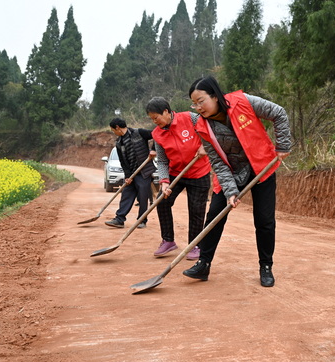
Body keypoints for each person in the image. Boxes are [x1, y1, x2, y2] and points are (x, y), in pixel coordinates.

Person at [183, 76, 291, 287]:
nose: (198, 107)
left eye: (201, 101)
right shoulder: (203, 127)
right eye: (194, 104)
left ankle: (266, 266)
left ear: (215, 96)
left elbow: (278, 113)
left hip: (262, 167)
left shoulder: (243, 101)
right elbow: (218, 163)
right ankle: (204, 264)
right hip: (231, 173)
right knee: (215, 214)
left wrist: (283, 145)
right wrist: (230, 191)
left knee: (264, 220)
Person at [145, 97, 212, 260]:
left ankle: (194, 245)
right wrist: (164, 182)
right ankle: (168, 240)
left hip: (199, 171)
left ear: (166, 111)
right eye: (152, 119)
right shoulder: (157, 134)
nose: (155, 122)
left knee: (196, 209)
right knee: (162, 200)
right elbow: (161, 160)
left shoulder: (190, 117)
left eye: (156, 117)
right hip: (176, 172)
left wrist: (206, 144)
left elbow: (210, 129)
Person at [105, 118, 157, 229]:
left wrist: (153, 149)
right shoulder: (119, 143)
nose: (113, 132)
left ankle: (142, 220)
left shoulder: (139, 133)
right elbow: (123, 162)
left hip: (144, 171)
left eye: (113, 130)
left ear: (117, 127)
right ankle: (119, 219)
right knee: (126, 195)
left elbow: (157, 134)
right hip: (132, 174)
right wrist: (127, 176)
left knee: (143, 197)